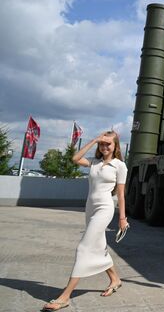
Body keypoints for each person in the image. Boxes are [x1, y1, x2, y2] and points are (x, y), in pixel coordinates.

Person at [43, 131, 128, 311]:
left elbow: (120, 194)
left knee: (84, 247)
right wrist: (94, 140)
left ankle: (65, 296)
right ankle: (115, 279)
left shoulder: (120, 166)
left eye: (108, 144)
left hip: (104, 209)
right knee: (98, 246)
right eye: (102, 144)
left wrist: (122, 218)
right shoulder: (94, 162)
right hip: (89, 208)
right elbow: (75, 158)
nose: (104, 147)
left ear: (115, 146)